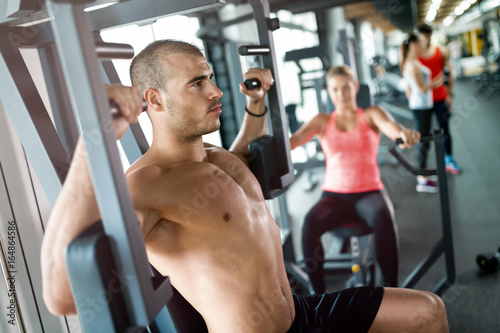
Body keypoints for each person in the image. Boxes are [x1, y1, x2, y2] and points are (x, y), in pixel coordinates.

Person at [41, 40, 449, 332]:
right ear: (156, 100)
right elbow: (62, 295)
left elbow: (243, 155)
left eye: (211, 78)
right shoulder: (146, 185)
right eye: (198, 84)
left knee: (427, 312)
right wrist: (92, 142)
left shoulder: (217, 157)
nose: (217, 91)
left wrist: (256, 103)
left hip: (300, 315)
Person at [289, 65, 419, 293]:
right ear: (329, 91)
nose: (341, 94)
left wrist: (403, 134)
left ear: (356, 87)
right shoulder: (321, 121)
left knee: (383, 217)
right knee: (310, 223)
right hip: (334, 196)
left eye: (346, 87)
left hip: (369, 193)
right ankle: (318, 297)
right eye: (335, 89)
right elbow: (292, 141)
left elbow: (393, 127)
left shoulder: (370, 114)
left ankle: (394, 294)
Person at [401, 32, 445, 193]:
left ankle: (423, 173)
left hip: (422, 105)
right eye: (420, 43)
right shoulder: (411, 64)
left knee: (424, 140)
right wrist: (436, 83)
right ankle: (421, 179)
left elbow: (408, 89)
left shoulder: (412, 62)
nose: (423, 45)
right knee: (422, 141)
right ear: (413, 45)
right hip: (420, 106)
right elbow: (420, 88)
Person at [416, 23, 462, 174]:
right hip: (423, 101)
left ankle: (448, 159)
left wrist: (450, 94)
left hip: (441, 97)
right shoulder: (415, 54)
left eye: (428, 35)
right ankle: (423, 166)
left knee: (445, 130)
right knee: (424, 134)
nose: (426, 39)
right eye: (423, 35)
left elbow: (449, 73)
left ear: (431, 35)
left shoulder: (440, 51)